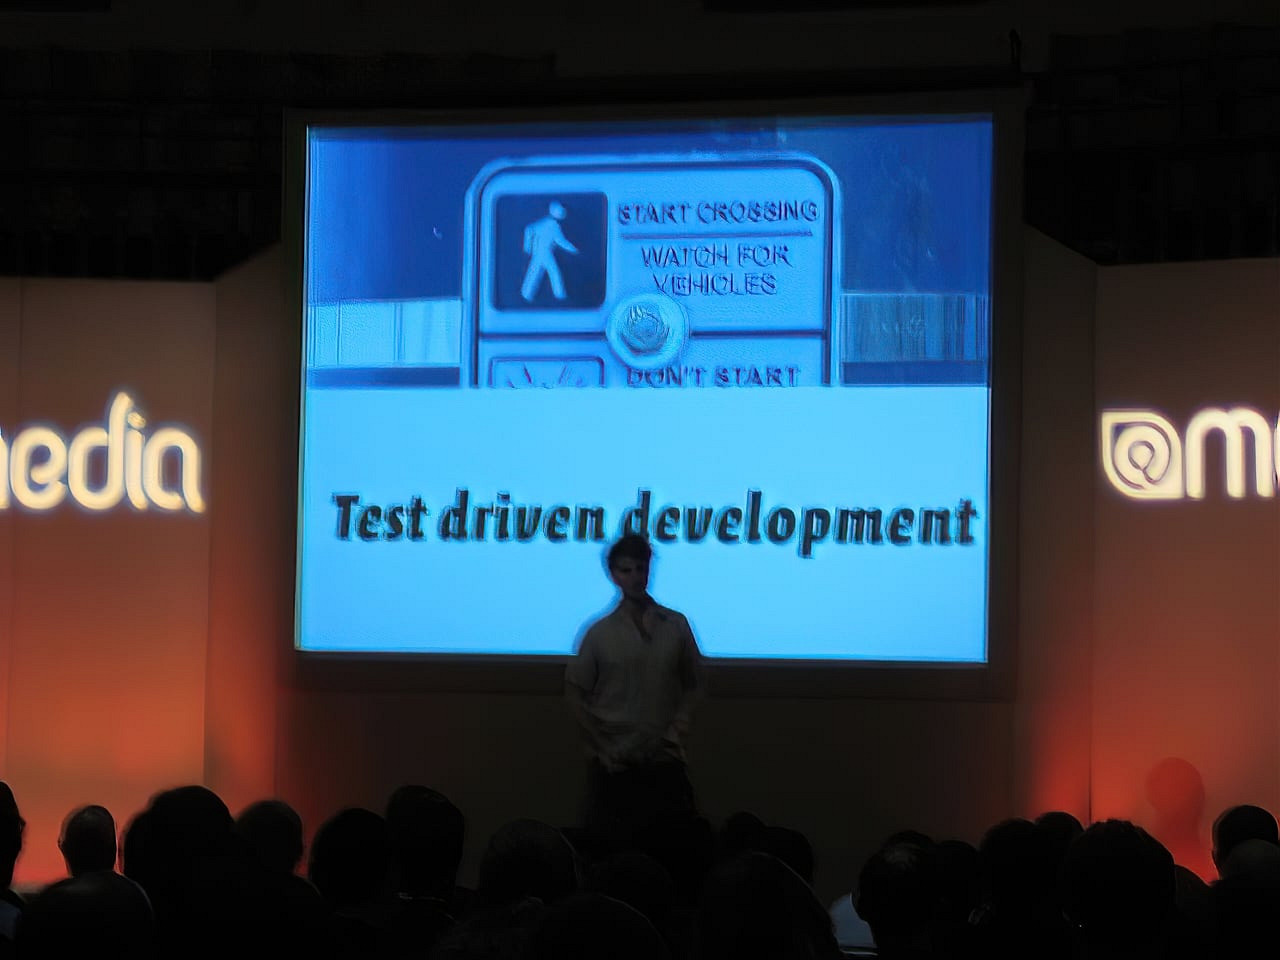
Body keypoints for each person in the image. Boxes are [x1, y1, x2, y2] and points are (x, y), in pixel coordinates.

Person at [565, 535, 702, 852]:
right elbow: (574, 693)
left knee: (674, 852)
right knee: (612, 853)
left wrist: (678, 726)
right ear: (614, 575)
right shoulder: (599, 633)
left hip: (664, 758)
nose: (636, 577)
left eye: (641, 569)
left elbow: (695, 682)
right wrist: (601, 746)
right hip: (616, 762)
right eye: (627, 571)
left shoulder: (675, 625)